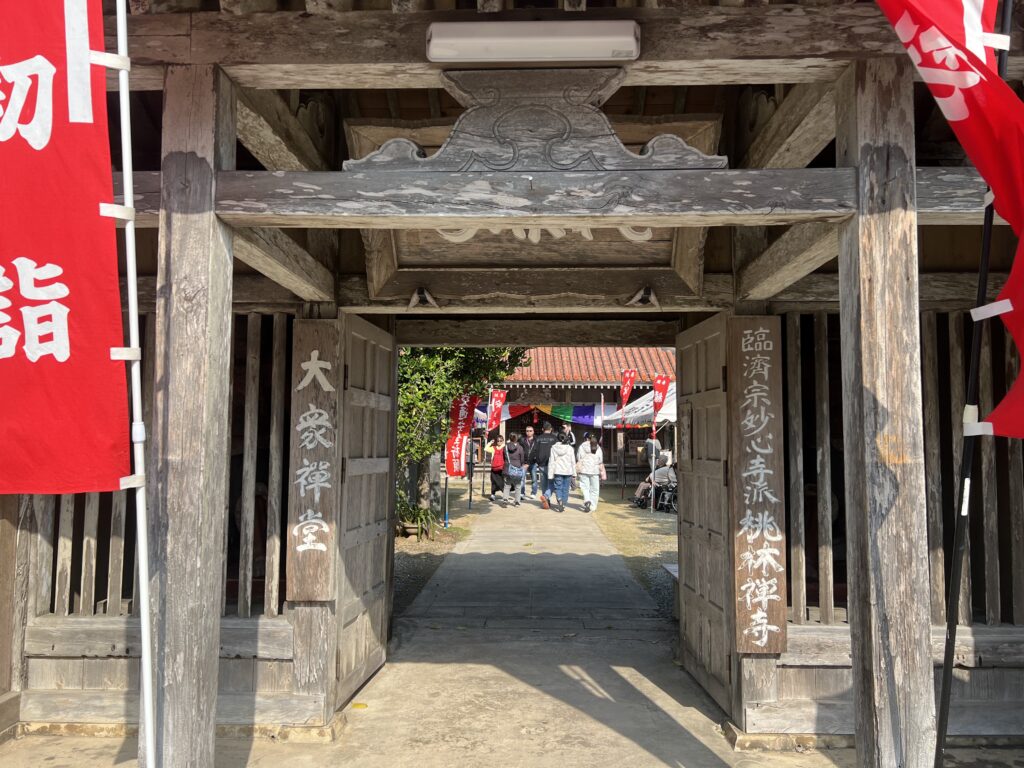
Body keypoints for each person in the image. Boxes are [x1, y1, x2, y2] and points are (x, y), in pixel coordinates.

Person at [547, 432, 577, 513]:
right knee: (566, 489)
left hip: (557, 471)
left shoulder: (553, 448)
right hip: (568, 471)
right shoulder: (570, 448)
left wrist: (550, 475)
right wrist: (574, 473)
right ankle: (563, 504)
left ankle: (559, 499)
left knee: (558, 487)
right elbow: (573, 462)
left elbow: (551, 461)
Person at [576, 432, 604, 514]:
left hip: (584, 470)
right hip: (594, 471)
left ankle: (587, 500)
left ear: (586, 438)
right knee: (595, 489)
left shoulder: (582, 446)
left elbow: (578, 457)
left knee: (585, 488)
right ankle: (593, 506)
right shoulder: (597, 447)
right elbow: (600, 460)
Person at [534, 421, 558, 509]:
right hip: (551, 464)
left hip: (541, 464)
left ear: (542, 429)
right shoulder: (554, 438)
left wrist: (537, 461)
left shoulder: (538, 438)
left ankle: (546, 500)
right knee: (553, 483)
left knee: (543, 483)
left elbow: (535, 450)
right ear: (551, 429)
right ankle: (546, 497)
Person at [504, 431, 525, 507]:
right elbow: (522, 459)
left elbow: (504, 457)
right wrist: (521, 464)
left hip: (508, 468)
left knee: (507, 485)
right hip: (517, 467)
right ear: (516, 438)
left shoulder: (506, 447)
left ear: (509, 438)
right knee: (518, 486)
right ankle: (517, 502)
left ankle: (505, 500)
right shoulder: (520, 447)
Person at [519, 424, 540, 496]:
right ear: (525, 432)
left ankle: (533, 493)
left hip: (533, 462)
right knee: (522, 478)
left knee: (534, 479)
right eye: (527, 431)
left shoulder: (537, 440)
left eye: (530, 431)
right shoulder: (522, 440)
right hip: (524, 463)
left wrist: (537, 460)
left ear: (533, 432)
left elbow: (539, 451)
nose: (529, 432)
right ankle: (522, 493)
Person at [488, 434, 507, 502]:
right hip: (494, 468)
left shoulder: (505, 447)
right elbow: (485, 449)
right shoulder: (493, 447)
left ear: (503, 441)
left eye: (500, 440)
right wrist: (490, 442)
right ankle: (493, 495)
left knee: (502, 481)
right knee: (493, 481)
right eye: (498, 441)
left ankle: (505, 494)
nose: (499, 442)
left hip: (502, 468)